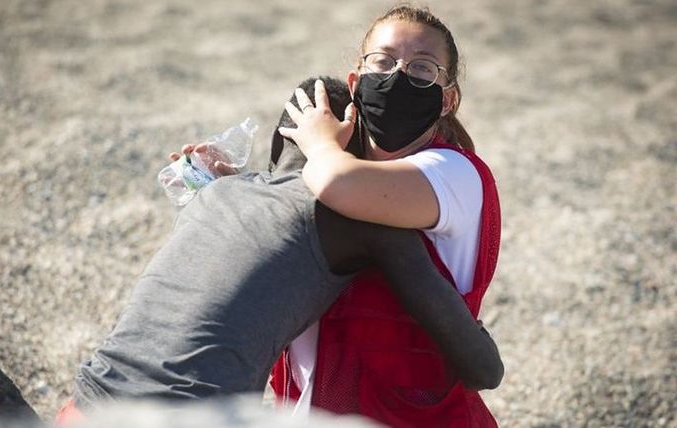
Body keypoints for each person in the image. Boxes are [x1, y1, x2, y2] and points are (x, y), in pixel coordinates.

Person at [55, 77, 502, 426]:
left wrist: (225, 183)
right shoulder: (361, 221)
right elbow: (485, 370)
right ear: (355, 161)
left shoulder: (215, 195)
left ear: (276, 146)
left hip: (86, 404)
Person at [271, 5, 503, 427]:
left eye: (422, 69)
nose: (398, 75)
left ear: (447, 99)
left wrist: (319, 144)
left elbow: (340, 185)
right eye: (383, 61)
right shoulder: (337, 167)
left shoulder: (456, 174)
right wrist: (221, 185)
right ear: (357, 81)